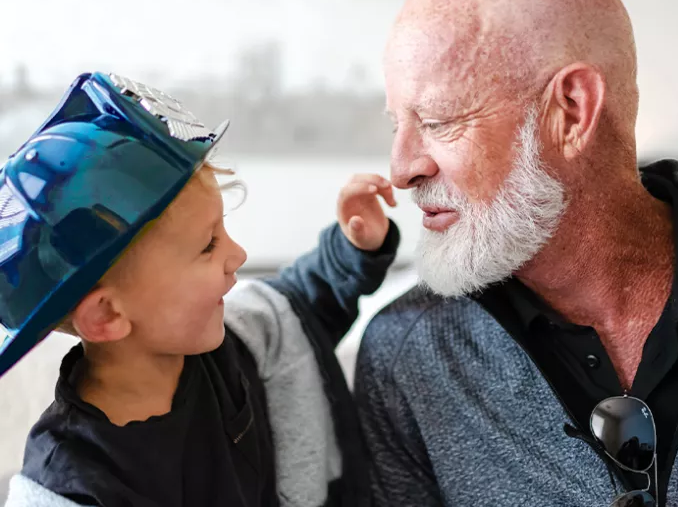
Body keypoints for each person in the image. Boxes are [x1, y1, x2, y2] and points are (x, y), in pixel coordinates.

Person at [355, 0, 678, 507]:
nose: (402, 169)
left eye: (436, 121)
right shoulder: (407, 356)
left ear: (572, 112)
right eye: (398, 125)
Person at [0, 72, 399, 507]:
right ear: (107, 316)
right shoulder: (71, 487)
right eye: (208, 245)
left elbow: (299, 303)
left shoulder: (242, 341)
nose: (239, 255)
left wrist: (353, 247)